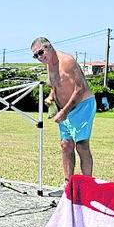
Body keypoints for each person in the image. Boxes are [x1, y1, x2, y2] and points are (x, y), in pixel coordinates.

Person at [31, 37, 96, 188]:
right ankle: (68, 185)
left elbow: (80, 88)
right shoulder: (49, 65)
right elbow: (56, 86)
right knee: (66, 145)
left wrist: (65, 111)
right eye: (36, 56)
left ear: (49, 47)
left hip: (82, 105)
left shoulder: (67, 61)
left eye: (41, 52)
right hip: (64, 110)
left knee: (81, 145)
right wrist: (51, 96)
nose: (40, 57)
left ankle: (87, 186)